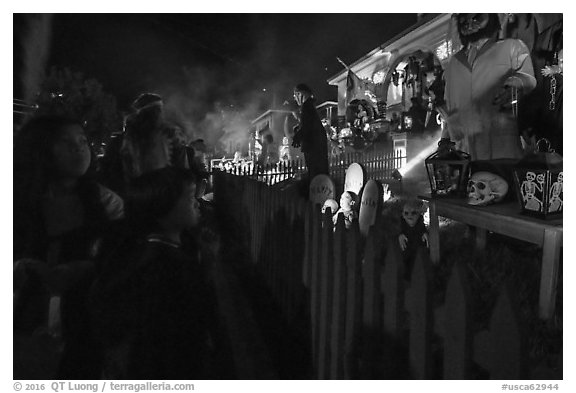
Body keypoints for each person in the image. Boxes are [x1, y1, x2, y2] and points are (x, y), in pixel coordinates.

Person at [13, 115, 124, 379]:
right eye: (66, 142)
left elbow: (125, 257)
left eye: (82, 140)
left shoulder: (106, 203)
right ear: (40, 149)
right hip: (26, 326)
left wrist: (85, 269)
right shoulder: (17, 201)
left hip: (88, 321)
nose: (79, 148)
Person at [91, 167, 211, 379]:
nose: (196, 202)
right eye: (190, 197)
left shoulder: (151, 252)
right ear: (162, 208)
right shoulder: (165, 267)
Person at [442, 13, 536, 161]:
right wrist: (445, 139)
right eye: (463, 19)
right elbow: (450, 104)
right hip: (466, 155)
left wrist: (514, 86)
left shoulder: (512, 47)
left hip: (503, 150)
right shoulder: (454, 63)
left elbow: (528, 77)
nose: (469, 23)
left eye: (476, 17)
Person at [292, 83, 329, 182]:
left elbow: (307, 126)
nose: (295, 98)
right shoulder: (309, 106)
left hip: (314, 146)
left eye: (295, 95)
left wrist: (298, 136)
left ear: (301, 94)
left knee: (315, 174)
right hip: (317, 145)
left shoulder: (307, 107)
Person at [398, 198, 429, 281]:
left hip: (417, 254)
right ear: (403, 215)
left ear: (419, 214)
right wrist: (399, 235)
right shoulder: (400, 225)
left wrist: (425, 233)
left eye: (413, 213)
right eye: (406, 213)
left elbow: (423, 229)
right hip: (405, 254)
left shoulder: (420, 224)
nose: (410, 216)